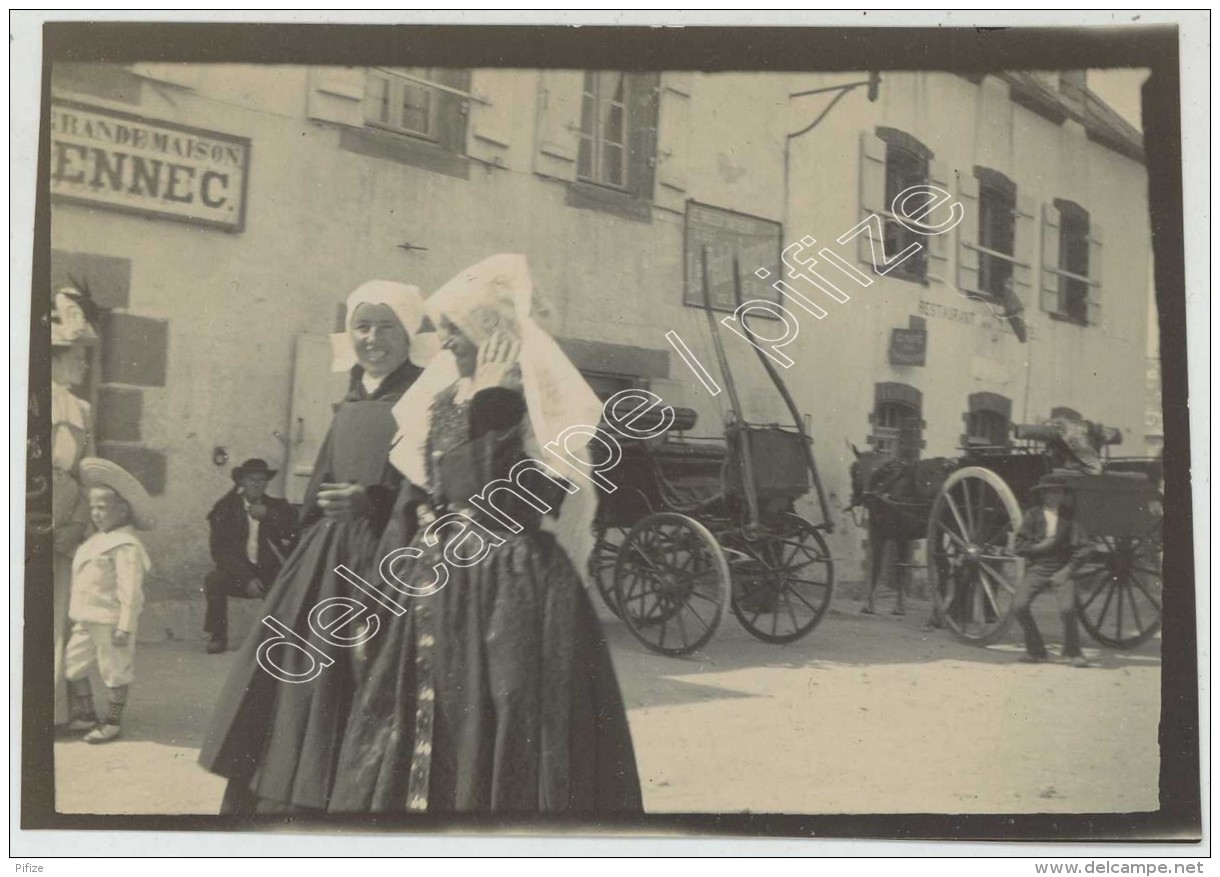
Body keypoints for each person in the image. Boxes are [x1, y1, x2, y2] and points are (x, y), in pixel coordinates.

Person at [328, 254, 641, 814]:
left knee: (507, 711)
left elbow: (506, 506)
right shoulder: (443, 401)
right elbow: (420, 494)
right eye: (443, 330)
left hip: (512, 591)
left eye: (456, 331)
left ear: (492, 334)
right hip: (435, 588)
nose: (445, 343)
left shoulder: (534, 407)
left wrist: (495, 404)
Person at [198, 281, 437, 813]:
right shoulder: (351, 397)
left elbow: (430, 483)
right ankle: (281, 791)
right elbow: (320, 483)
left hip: (386, 553)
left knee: (360, 674)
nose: (372, 339)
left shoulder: (424, 395)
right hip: (328, 554)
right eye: (362, 326)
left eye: (386, 327)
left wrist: (373, 501)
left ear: (409, 334)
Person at [63, 458, 154, 743]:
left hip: (111, 622)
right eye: (92, 508)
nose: (96, 514)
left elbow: (130, 591)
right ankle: (86, 713)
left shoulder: (125, 546)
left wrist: (124, 626)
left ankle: (113, 721)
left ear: (122, 510)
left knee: (115, 671)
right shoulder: (96, 541)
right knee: (72, 666)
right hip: (86, 618)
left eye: (102, 508)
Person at [50, 284, 99, 731]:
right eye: (77, 354)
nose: (84, 363)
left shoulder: (81, 408)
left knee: (60, 617)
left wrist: (78, 523)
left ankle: (54, 713)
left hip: (65, 527)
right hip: (26, 523)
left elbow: (89, 472)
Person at [203, 458, 298, 654]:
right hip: (240, 574)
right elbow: (220, 552)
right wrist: (246, 579)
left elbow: (294, 533)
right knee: (214, 580)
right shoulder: (226, 508)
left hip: (271, 572)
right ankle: (218, 636)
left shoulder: (278, 506)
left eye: (262, 479)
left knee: (292, 586)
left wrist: (268, 515)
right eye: (252, 479)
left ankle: (280, 638)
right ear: (242, 482)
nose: (257, 484)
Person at [1011, 475, 1095, 667]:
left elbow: (1085, 547)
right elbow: (1019, 545)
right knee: (1019, 606)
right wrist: (1040, 547)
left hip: (1063, 566)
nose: (1053, 496)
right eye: (1049, 492)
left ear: (1063, 494)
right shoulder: (1033, 515)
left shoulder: (1069, 516)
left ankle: (1072, 653)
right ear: (1042, 494)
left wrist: (1068, 570)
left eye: (1057, 492)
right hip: (1039, 567)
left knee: (1067, 609)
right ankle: (1036, 650)